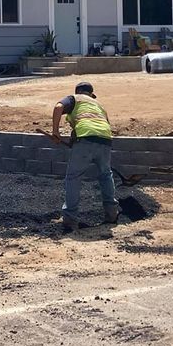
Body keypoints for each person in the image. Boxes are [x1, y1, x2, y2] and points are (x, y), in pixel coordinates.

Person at [50, 81, 120, 233]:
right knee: (105, 175)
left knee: (73, 177)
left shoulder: (75, 98)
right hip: (105, 139)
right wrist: (75, 140)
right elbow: (103, 124)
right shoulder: (99, 105)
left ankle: (70, 219)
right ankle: (112, 214)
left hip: (86, 138)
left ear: (78, 91)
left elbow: (58, 107)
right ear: (91, 94)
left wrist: (55, 131)